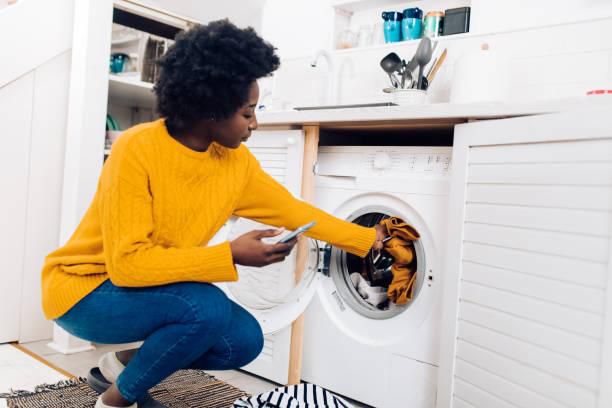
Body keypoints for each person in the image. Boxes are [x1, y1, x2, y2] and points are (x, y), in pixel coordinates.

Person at [42, 20, 386, 408]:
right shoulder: (137, 149)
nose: (255, 123)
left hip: (144, 292)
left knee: (243, 341)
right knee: (204, 307)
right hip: (85, 292)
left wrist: (366, 239)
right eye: (247, 112)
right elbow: (128, 266)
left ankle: (122, 367)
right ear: (210, 109)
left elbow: (292, 210)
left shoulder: (234, 163)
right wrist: (232, 254)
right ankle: (116, 401)